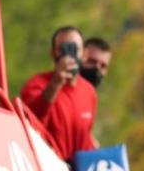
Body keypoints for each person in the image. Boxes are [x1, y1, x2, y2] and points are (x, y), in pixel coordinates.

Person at [20, 25, 97, 163]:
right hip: (45, 163)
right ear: (52, 53)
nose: (69, 54)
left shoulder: (89, 91)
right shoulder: (36, 84)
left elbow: (85, 136)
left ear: (84, 54)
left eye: (75, 49)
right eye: (63, 49)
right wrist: (56, 82)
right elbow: (30, 120)